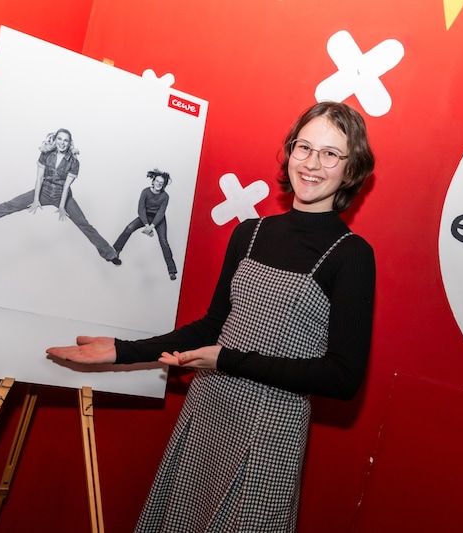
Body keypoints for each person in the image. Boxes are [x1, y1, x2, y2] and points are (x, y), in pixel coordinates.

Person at [47, 101, 376, 532]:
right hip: (208, 409)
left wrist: (226, 361)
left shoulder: (351, 256)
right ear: (290, 152)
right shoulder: (250, 232)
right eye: (304, 148)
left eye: (331, 153)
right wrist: (122, 351)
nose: (313, 164)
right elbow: (213, 325)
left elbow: (342, 377)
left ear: (351, 170)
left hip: (272, 428)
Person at [0, 128, 121, 265]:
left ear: (69, 143)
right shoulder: (46, 155)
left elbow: (67, 186)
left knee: (84, 224)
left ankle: (109, 254)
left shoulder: (74, 162)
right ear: (55, 140)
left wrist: (62, 207)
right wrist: (35, 199)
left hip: (63, 195)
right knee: (8, 205)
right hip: (44, 190)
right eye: (59, 139)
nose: (62, 143)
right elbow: (39, 178)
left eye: (66, 140)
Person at [113, 169, 178, 280]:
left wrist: (152, 227)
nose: (158, 184)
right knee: (129, 228)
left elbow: (161, 213)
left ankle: (172, 270)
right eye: (157, 181)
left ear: (164, 185)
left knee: (164, 241)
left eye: (161, 183)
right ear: (153, 181)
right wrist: (147, 225)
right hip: (145, 216)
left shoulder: (165, 196)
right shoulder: (145, 192)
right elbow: (141, 209)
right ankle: (115, 252)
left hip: (159, 219)